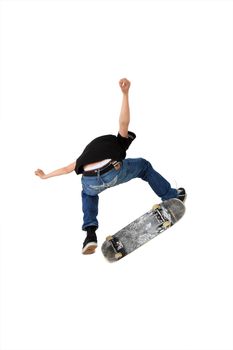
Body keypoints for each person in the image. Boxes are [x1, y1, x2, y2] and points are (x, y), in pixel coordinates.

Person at [35, 78, 186, 255]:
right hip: (112, 171)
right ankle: (171, 195)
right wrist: (125, 94)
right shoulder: (120, 141)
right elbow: (124, 122)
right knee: (143, 166)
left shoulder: (86, 154)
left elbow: (66, 170)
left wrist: (45, 176)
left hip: (90, 180)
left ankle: (90, 234)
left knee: (87, 194)